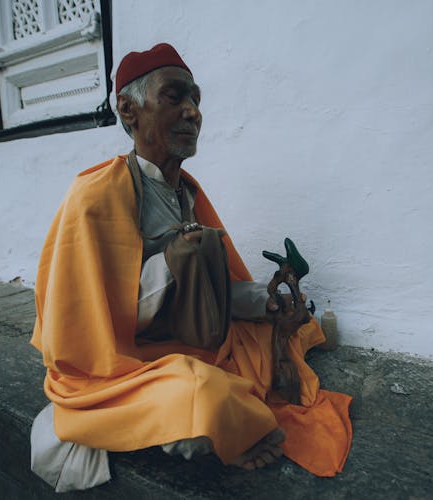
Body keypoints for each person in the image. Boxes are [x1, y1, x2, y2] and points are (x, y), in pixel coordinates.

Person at [29, 43, 352, 492]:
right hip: (123, 360)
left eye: (196, 100)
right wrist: (172, 265)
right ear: (128, 109)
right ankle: (210, 423)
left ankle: (212, 411)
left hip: (190, 340)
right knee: (203, 393)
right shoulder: (95, 196)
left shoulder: (188, 193)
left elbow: (215, 288)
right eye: (175, 97)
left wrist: (268, 301)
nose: (192, 112)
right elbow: (90, 324)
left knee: (283, 331)